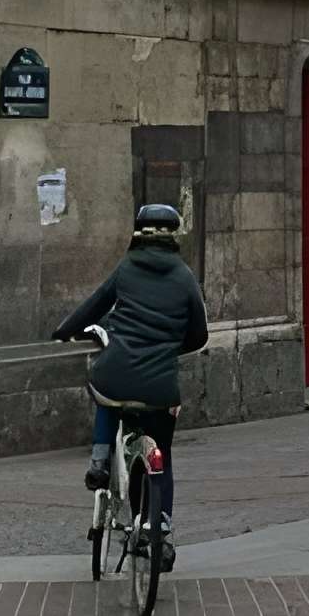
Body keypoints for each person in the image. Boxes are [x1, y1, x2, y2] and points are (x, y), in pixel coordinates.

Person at [53, 202, 208, 566]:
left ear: (137, 233)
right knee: (162, 457)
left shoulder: (126, 269)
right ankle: (160, 530)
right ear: (175, 236)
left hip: (118, 375)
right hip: (160, 389)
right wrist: (170, 346)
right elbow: (199, 335)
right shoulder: (185, 277)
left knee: (105, 395)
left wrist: (63, 332)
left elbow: (93, 307)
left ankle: (99, 460)